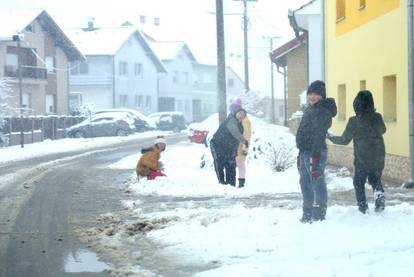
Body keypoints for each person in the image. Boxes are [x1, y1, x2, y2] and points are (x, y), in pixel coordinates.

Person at [328, 90, 386, 214]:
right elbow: (383, 130)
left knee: (359, 182)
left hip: (362, 157)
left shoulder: (354, 121)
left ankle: (362, 207)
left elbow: (344, 140)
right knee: (375, 179)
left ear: (356, 104)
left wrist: (330, 136)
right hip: (378, 154)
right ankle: (379, 196)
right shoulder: (377, 117)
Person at [296, 80, 337, 223]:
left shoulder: (323, 112)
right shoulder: (310, 110)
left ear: (322, 96)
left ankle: (319, 213)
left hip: (315, 152)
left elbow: (319, 135)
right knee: (305, 183)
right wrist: (300, 155)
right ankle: (307, 212)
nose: (312, 97)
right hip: (305, 152)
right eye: (310, 94)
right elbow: (303, 133)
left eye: (316, 94)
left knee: (317, 182)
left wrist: (315, 157)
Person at [210, 107, 249, 187]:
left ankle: (231, 184)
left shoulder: (240, 125)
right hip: (217, 144)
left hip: (229, 147)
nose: (241, 115)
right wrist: (244, 141)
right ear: (236, 113)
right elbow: (235, 133)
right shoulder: (231, 120)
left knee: (231, 164)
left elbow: (236, 140)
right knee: (219, 163)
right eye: (240, 113)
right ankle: (222, 183)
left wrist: (237, 149)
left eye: (243, 114)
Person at [229, 98, 252, 188]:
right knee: (233, 164)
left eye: (234, 108)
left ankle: (241, 183)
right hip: (232, 145)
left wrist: (244, 148)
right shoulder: (233, 118)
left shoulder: (244, 119)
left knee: (240, 164)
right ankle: (232, 183)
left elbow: (247, 134)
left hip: (240, 146)